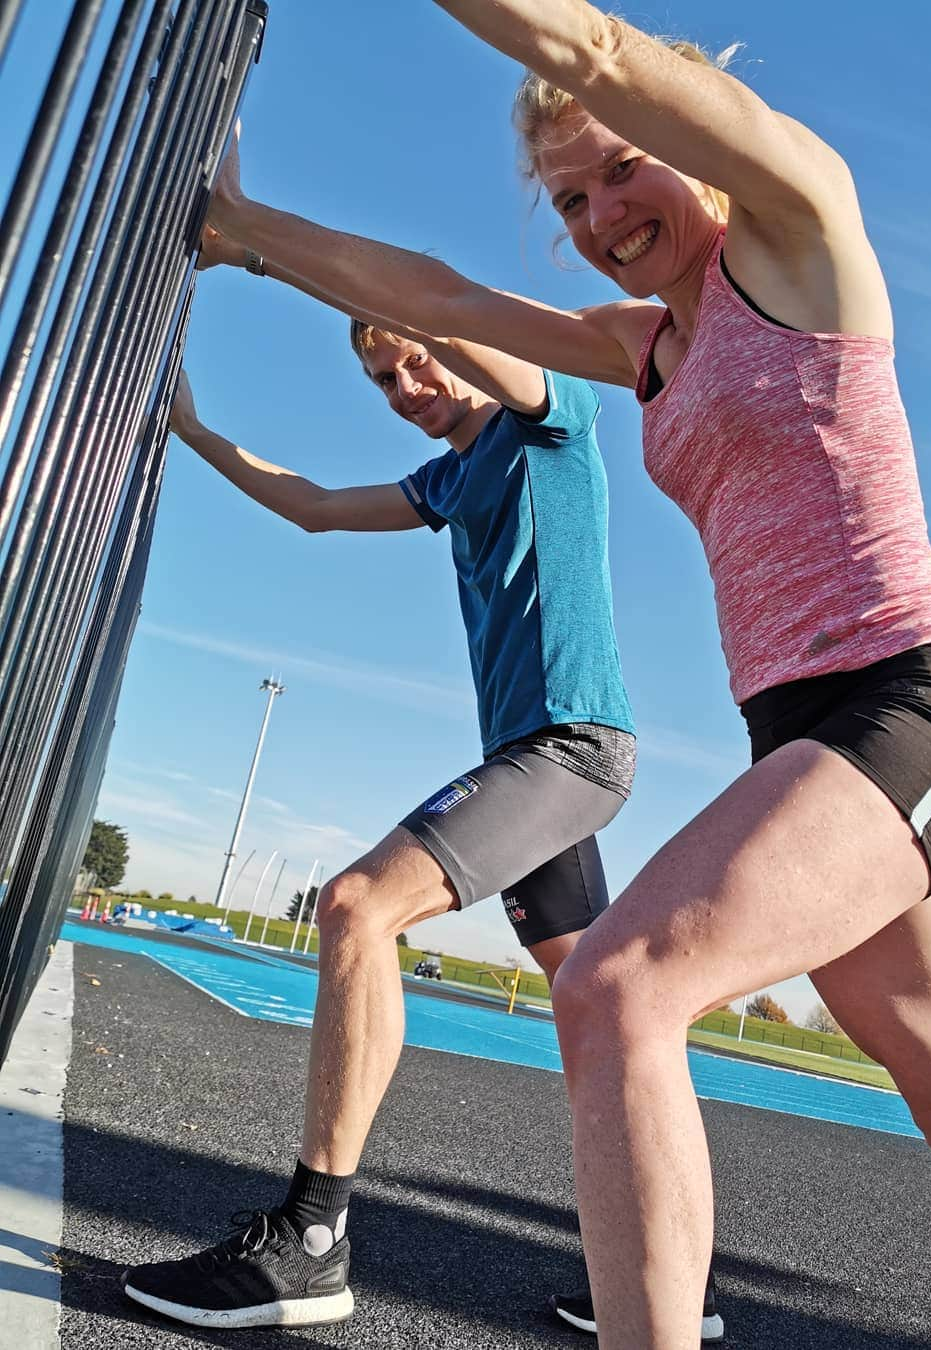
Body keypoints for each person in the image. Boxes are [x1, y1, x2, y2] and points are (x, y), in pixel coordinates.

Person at [183, 3, 931, 1345]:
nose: (604, 210)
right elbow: (439, 298)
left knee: (618, 986)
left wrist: (574, 65)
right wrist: (248, 241)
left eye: (622, 167)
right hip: (806, 740)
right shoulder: (642, 344)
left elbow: (597, 55)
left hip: (916, 702)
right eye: (572, 198)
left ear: (696, 155)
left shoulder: (803, 231)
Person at [121, 246, 641, 1330]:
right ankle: (668, 1273)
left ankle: (312, 1241)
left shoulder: (553, 418)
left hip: (568, 750)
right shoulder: (449, 479)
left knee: (358, 905)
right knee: (602, 1008)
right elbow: (310, 505)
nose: (410, 392)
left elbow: (450, 318)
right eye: (385, 382)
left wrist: (271, 252)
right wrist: (194, 428)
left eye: (417, 365)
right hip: (529, 765)